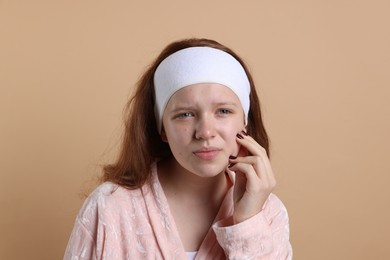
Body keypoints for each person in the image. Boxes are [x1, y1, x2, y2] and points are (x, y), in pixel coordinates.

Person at [64, 38, 292, 259]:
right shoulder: (109, 208)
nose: (205, 132)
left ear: (245, 121)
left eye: (223, 111)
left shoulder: (269, 213)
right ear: (162, 128)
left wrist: (248, 223)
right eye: (185, 114)